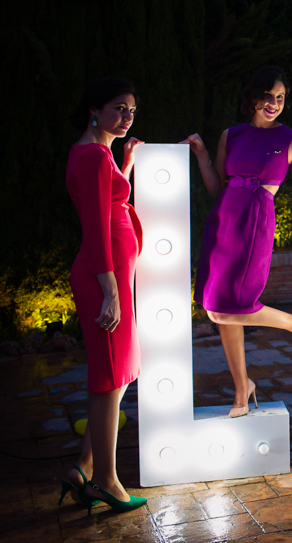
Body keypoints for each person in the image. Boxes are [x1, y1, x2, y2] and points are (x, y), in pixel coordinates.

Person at [183, 66, 292, 418]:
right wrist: (201, 155)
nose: (274, 103)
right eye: (269, 96)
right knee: (219, 308)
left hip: (256, 221)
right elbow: (217, 188)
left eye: (281, 98)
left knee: (232, 304)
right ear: (254, 97)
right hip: (223, 221)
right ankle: (242, 387)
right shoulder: (231, 135)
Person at [63, 77, 148, 513]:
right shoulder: (95, 156)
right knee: (109, 380)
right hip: (104, 279)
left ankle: (82, 467)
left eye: (132, 110)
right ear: (95, 110)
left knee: (112, 376)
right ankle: (106, 482)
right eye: (119, 108)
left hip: (108, 277)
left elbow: (108, 196)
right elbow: (97, 227)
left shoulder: (96, 152)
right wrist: (111, 291)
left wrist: (125, 160)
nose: (127, 116)